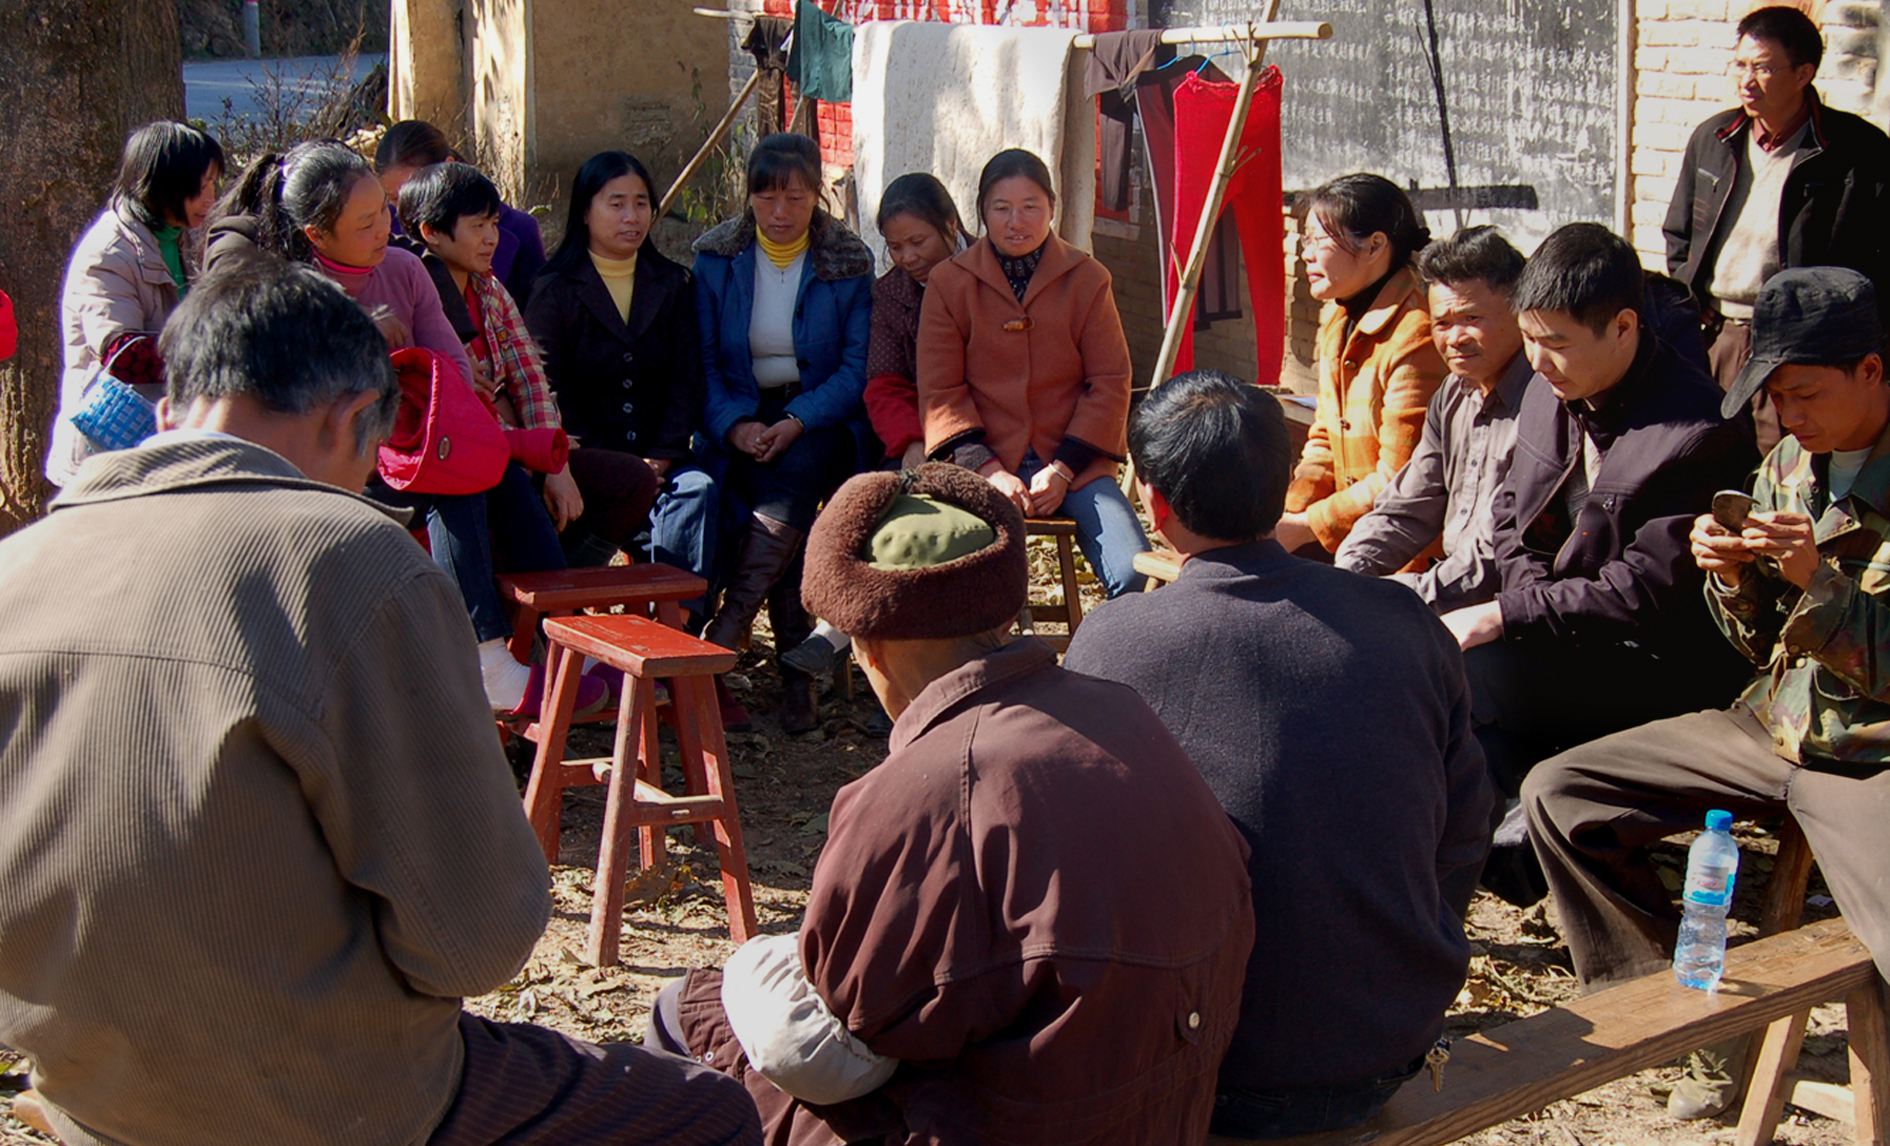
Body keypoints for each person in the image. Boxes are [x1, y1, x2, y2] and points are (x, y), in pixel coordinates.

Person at [0, 261, 762, 1146]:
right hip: (330, 1095)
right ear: (346, 418)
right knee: (704, 1114)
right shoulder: (351, 561)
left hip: (90, 1091)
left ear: (170, 410)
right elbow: (475, 937)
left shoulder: (20, 569)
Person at [644, 462, 1254, 1145]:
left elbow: (830, 1035)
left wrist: (751, 967)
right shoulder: (1118, 709)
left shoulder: (927, 789)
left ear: (866, 646)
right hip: (1164, 1113)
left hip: (1021, 1123)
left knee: (687, 1013)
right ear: (1001, 610)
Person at [1065, 371, 1492, 1139]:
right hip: (1388, 1037)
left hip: (1206, 1063)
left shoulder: (1115, 641)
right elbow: (1464, 831)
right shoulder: (1401, 618)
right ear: (1286, 481)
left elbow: (1078, 870)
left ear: (1154, 504)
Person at [1525, 267, 1890, 1122]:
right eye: (1778, 400)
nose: (1791, 419)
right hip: (1774, 721)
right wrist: (1730, 579)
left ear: (1872, 371)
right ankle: (1689, 1025)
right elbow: (1762, 648)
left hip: (1871, 751)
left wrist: (1816, 581)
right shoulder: (1792, 462)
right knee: (1561, 795)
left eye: (1806, 395)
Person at [208, 141, 586, 714]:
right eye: (365, 224)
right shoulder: (281, 290)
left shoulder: (408, 269)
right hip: (332, 462)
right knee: (453, 485)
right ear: (317, 234)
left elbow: (453, 371)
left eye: (383, 212)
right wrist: (358, 340)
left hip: (415, 442)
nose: (385, 228)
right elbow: (295, 401)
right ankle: (485, 657)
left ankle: (568, 638)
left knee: (493, 471)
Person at [1442, 223, 1757, 904]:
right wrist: (1520, 604)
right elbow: (1510, 515)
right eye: (1530, 340)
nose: (1539, 360)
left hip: (1650, 666)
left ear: (1623, 327)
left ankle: (1527, 842)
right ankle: (1514, 841)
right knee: (1439, 673)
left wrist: (1507, 613)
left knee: (1467, 676)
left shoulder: (1697, 432)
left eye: (1556, 344)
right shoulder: (1543, 391)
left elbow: (1642, 591)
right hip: (1561, 636)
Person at [693, 132, 876, 734]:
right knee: (769, 496)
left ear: (816, 196)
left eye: (794, 198)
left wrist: (796, 421)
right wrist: (735, 426)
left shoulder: (846, 261)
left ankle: (729, 626)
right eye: (765, 197)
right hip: (742, 412)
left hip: (820, 416)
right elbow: (705, 363)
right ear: (747, 197)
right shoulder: (717, 257)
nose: (779, 212)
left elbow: (855, 368)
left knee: (794, 474)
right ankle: (796, 677)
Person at [401, 161, 659, 568]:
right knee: (514, 497)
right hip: (472, 461)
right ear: (431, 232)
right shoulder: (416, 297)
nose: (492, 239)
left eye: (494, 224)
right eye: (477, 227)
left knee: (632, 481)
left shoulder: (491, 290)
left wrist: (554, 464)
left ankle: (558, 591)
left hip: (526, 449)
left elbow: (529, 379)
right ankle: (530, 607)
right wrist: (531, 455)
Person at [918, 148, 1150, 597]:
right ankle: (988, 664)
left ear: (1052, 208)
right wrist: (987, 470)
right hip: (982, 462)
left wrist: (1063, 469)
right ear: (982, 212)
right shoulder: (950, 282)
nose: (1016, 222)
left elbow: (1110, 381)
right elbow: (940, 391)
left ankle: (1099, 661)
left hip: (1074, 463)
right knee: (960, 582)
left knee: (1134, 571)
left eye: (1030, 207)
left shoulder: (1087, 278)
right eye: (1001, 209)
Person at [1664, 5, 1890, 450]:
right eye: (1741, 65)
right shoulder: (1713, 138)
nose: (1746, 80)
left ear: (1804, 73)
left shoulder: (1856, 153)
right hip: (1716, 338)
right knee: (1701, 452)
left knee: (1780, 459)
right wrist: (1691, 302)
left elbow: (1877, 264)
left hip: (1801, 349)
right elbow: (1679, 233)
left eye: (1764, 68)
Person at [782, 171, 971, 680]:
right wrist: (912, 440)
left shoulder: (988, 275)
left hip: (985, 437)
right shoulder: (891, 294)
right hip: (916, 436)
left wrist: (952, 438)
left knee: (927, 525)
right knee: (880, 511)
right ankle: (879, 657)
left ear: (950, 224)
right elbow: (883, 383)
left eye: (918, 241)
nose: (908, 257)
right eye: (895, 247)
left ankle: (880, 654)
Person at [525, 150, 716, 589]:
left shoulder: (673, 283)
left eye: (642, 202)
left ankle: (679, 624)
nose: (632, 216)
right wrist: (614, 462)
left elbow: (687, 378)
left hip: (661, 453)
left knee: (698, 492)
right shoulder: (553, 290)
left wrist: (664, 453)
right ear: (586, 212)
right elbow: (548, 386)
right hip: (587, 456)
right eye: (616, 204)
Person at [1335, 226, 1532, 611]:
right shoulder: (1453, 393)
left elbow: (1494, 556)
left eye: (1472, 317)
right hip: (1444, 593)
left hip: (1509, 612)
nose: (1455, 338)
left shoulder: (1546, 403)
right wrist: (1347, 575)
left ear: (1518, 310)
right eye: (1442, 323)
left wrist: (1394, 595)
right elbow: (1407, 506)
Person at [1273, 173, 1446, 558]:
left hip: (1402, 550)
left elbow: (1399, 478)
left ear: (1374, 246)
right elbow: (1323, 438)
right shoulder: (1337, 317)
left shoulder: (1415, 334)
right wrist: (1289, 514)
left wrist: (1304, 527)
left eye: (1320, 241)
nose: (1307, 254)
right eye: (1306, 240)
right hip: (1346, 530)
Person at [48, 120, 223, 487]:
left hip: (160, 443)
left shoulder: (180, 237)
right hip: (107, 452)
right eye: (200, 186)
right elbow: (121, 354)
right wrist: (221, 349)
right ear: (165, 184)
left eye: (213, 184)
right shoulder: (110, 252)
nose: (211, 198)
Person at [377, 118, 547, 303]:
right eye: (394, 198)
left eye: (417, 189)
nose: (406, 208)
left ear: (448, 166)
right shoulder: (381, 236)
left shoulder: (519, 230)